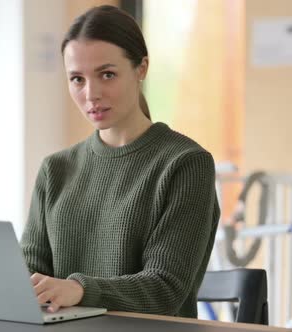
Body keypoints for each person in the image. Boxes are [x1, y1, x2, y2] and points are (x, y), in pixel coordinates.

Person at [20, 5, 220, 318]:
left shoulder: (186, 164)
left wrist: (80, 289)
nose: (91, 94)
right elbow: (28, 275)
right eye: (77, 79)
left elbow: (164, 288)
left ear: (141, 69)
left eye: (107, 74)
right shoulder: (55, 169)